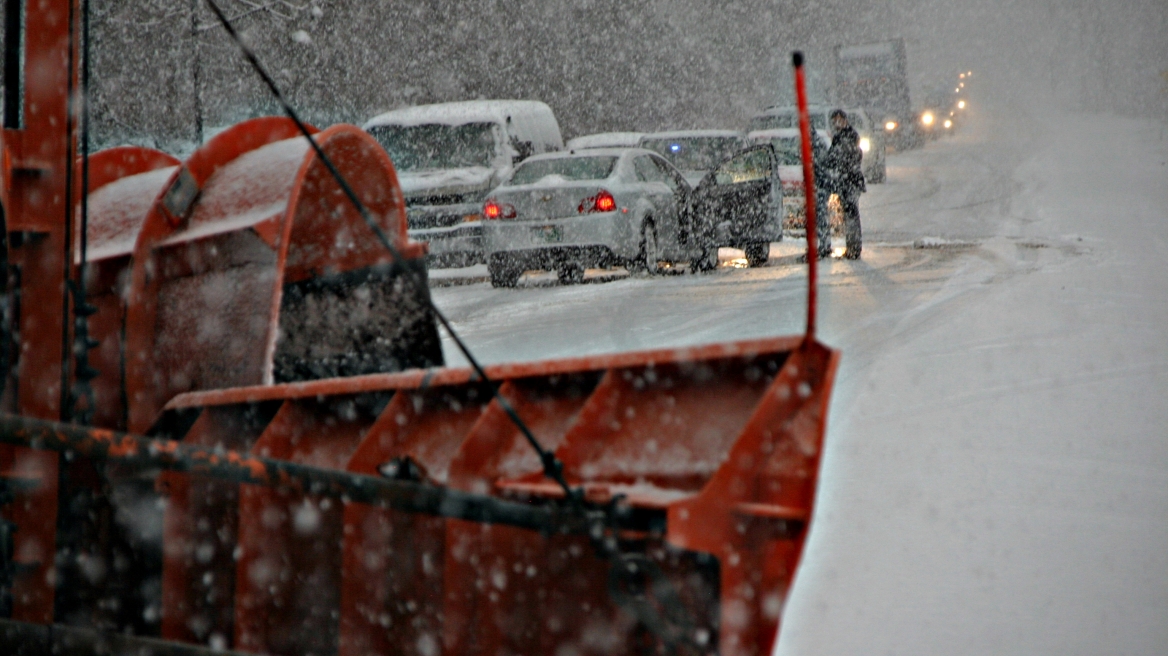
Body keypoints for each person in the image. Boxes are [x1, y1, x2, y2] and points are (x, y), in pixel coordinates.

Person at [824, 109, 866, 259]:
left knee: (851, 214)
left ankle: (854, 248)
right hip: (846, 180)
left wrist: (835, 164)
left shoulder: (849, 136)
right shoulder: (839, 137)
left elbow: (845, 157)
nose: (838, 123)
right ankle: (853, 247)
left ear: (845, 120)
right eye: (835, 120)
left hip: (850, 181)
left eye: (840, 119)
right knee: (849, 214)